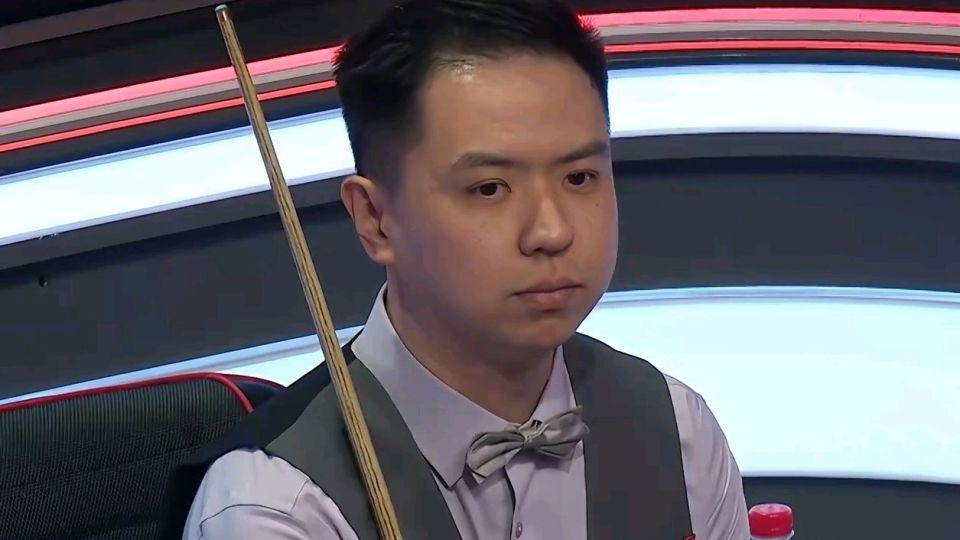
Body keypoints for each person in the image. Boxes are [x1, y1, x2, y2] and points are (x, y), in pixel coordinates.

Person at [178, 0, 749, 538]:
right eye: (489, 188)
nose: (552, 231)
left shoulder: (678, 430)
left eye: (579, 177)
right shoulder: (278, 507)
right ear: (375, 219)